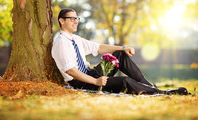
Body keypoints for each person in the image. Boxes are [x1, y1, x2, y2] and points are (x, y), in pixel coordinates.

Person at [51, 8, 189, 95]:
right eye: (72, 19)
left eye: (77, 18)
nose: (76, 21)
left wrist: (123, 48)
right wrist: (95, 81)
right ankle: (163, 93)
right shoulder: (61, 42)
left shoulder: (75, 39)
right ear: (62, 21)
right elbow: (71, 71)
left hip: (91, 73)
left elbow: (99, 48)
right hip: (80, 81)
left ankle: (149, 86)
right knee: (124, 82)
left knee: (119, 55)